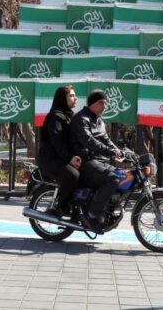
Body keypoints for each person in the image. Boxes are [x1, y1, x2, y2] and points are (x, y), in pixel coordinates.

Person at [69, 89, 122, 232]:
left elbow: (106, 140)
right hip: (84, 160)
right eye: (101, 103)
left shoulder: (99, 121)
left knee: (121, 175)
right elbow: (89, 141)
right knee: (112, 179)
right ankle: (92, 215)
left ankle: (107, 211)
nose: (104, 106)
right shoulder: (81, 119)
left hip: (97, 161)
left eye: (106, 103)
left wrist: (120, 151)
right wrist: (109, 151)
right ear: (92, 104)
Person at [36, 85, 81, 217]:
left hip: (61, 158)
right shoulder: (55, 117)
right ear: (62, 98)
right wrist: (70, 158)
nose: (75, 98)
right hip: (51, 160)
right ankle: (59, 207)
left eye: (75, 95)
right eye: (71, 96)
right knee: (73, 175)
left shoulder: (69, 116)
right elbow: (58, 143)